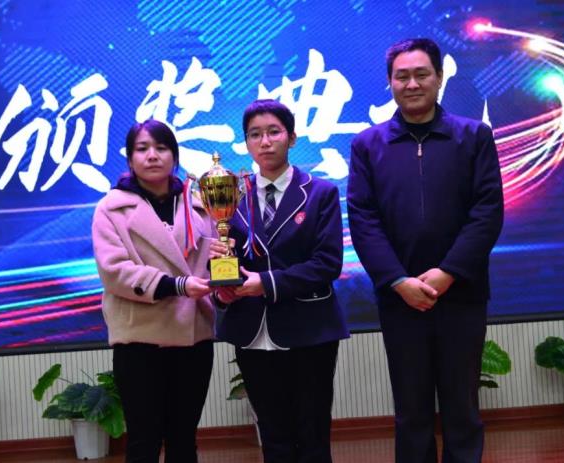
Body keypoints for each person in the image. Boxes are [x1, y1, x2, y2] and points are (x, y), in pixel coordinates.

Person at [347, 38, 504, 463]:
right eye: (402, 76)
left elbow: (487, 212)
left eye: (421, 74)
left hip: (462, 293)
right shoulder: (367, 145)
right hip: (399, 298)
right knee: (411, 410)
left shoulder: (473, 136)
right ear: (390, 82)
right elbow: (363, 220)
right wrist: (398, 280)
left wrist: (448, 272)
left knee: (462, 407)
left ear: (439, 78)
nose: (412, 84)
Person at [210, 99, 349, 463]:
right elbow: (228, 263)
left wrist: (266, 283)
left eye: (274, 132)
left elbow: (327, 264)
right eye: (255, 134)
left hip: (309, 328)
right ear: (246, 142)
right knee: (273, 437)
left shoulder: (320, 193)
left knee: (312, 435)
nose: (265, 141)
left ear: (292, 137)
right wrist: (223, 291)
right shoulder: (233, 195)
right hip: (253, 329)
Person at [92, 119, 215, 463]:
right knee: (143, 442)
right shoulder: (111, 208)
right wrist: (177, 285)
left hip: (193, 337)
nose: (152, 156)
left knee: (184, 439)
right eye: (142, 149)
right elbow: (115, 272)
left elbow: (215, 261)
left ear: (174, 156)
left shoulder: (199, 203)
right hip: (140, 341)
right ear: (130, 159)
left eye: (161, 148)